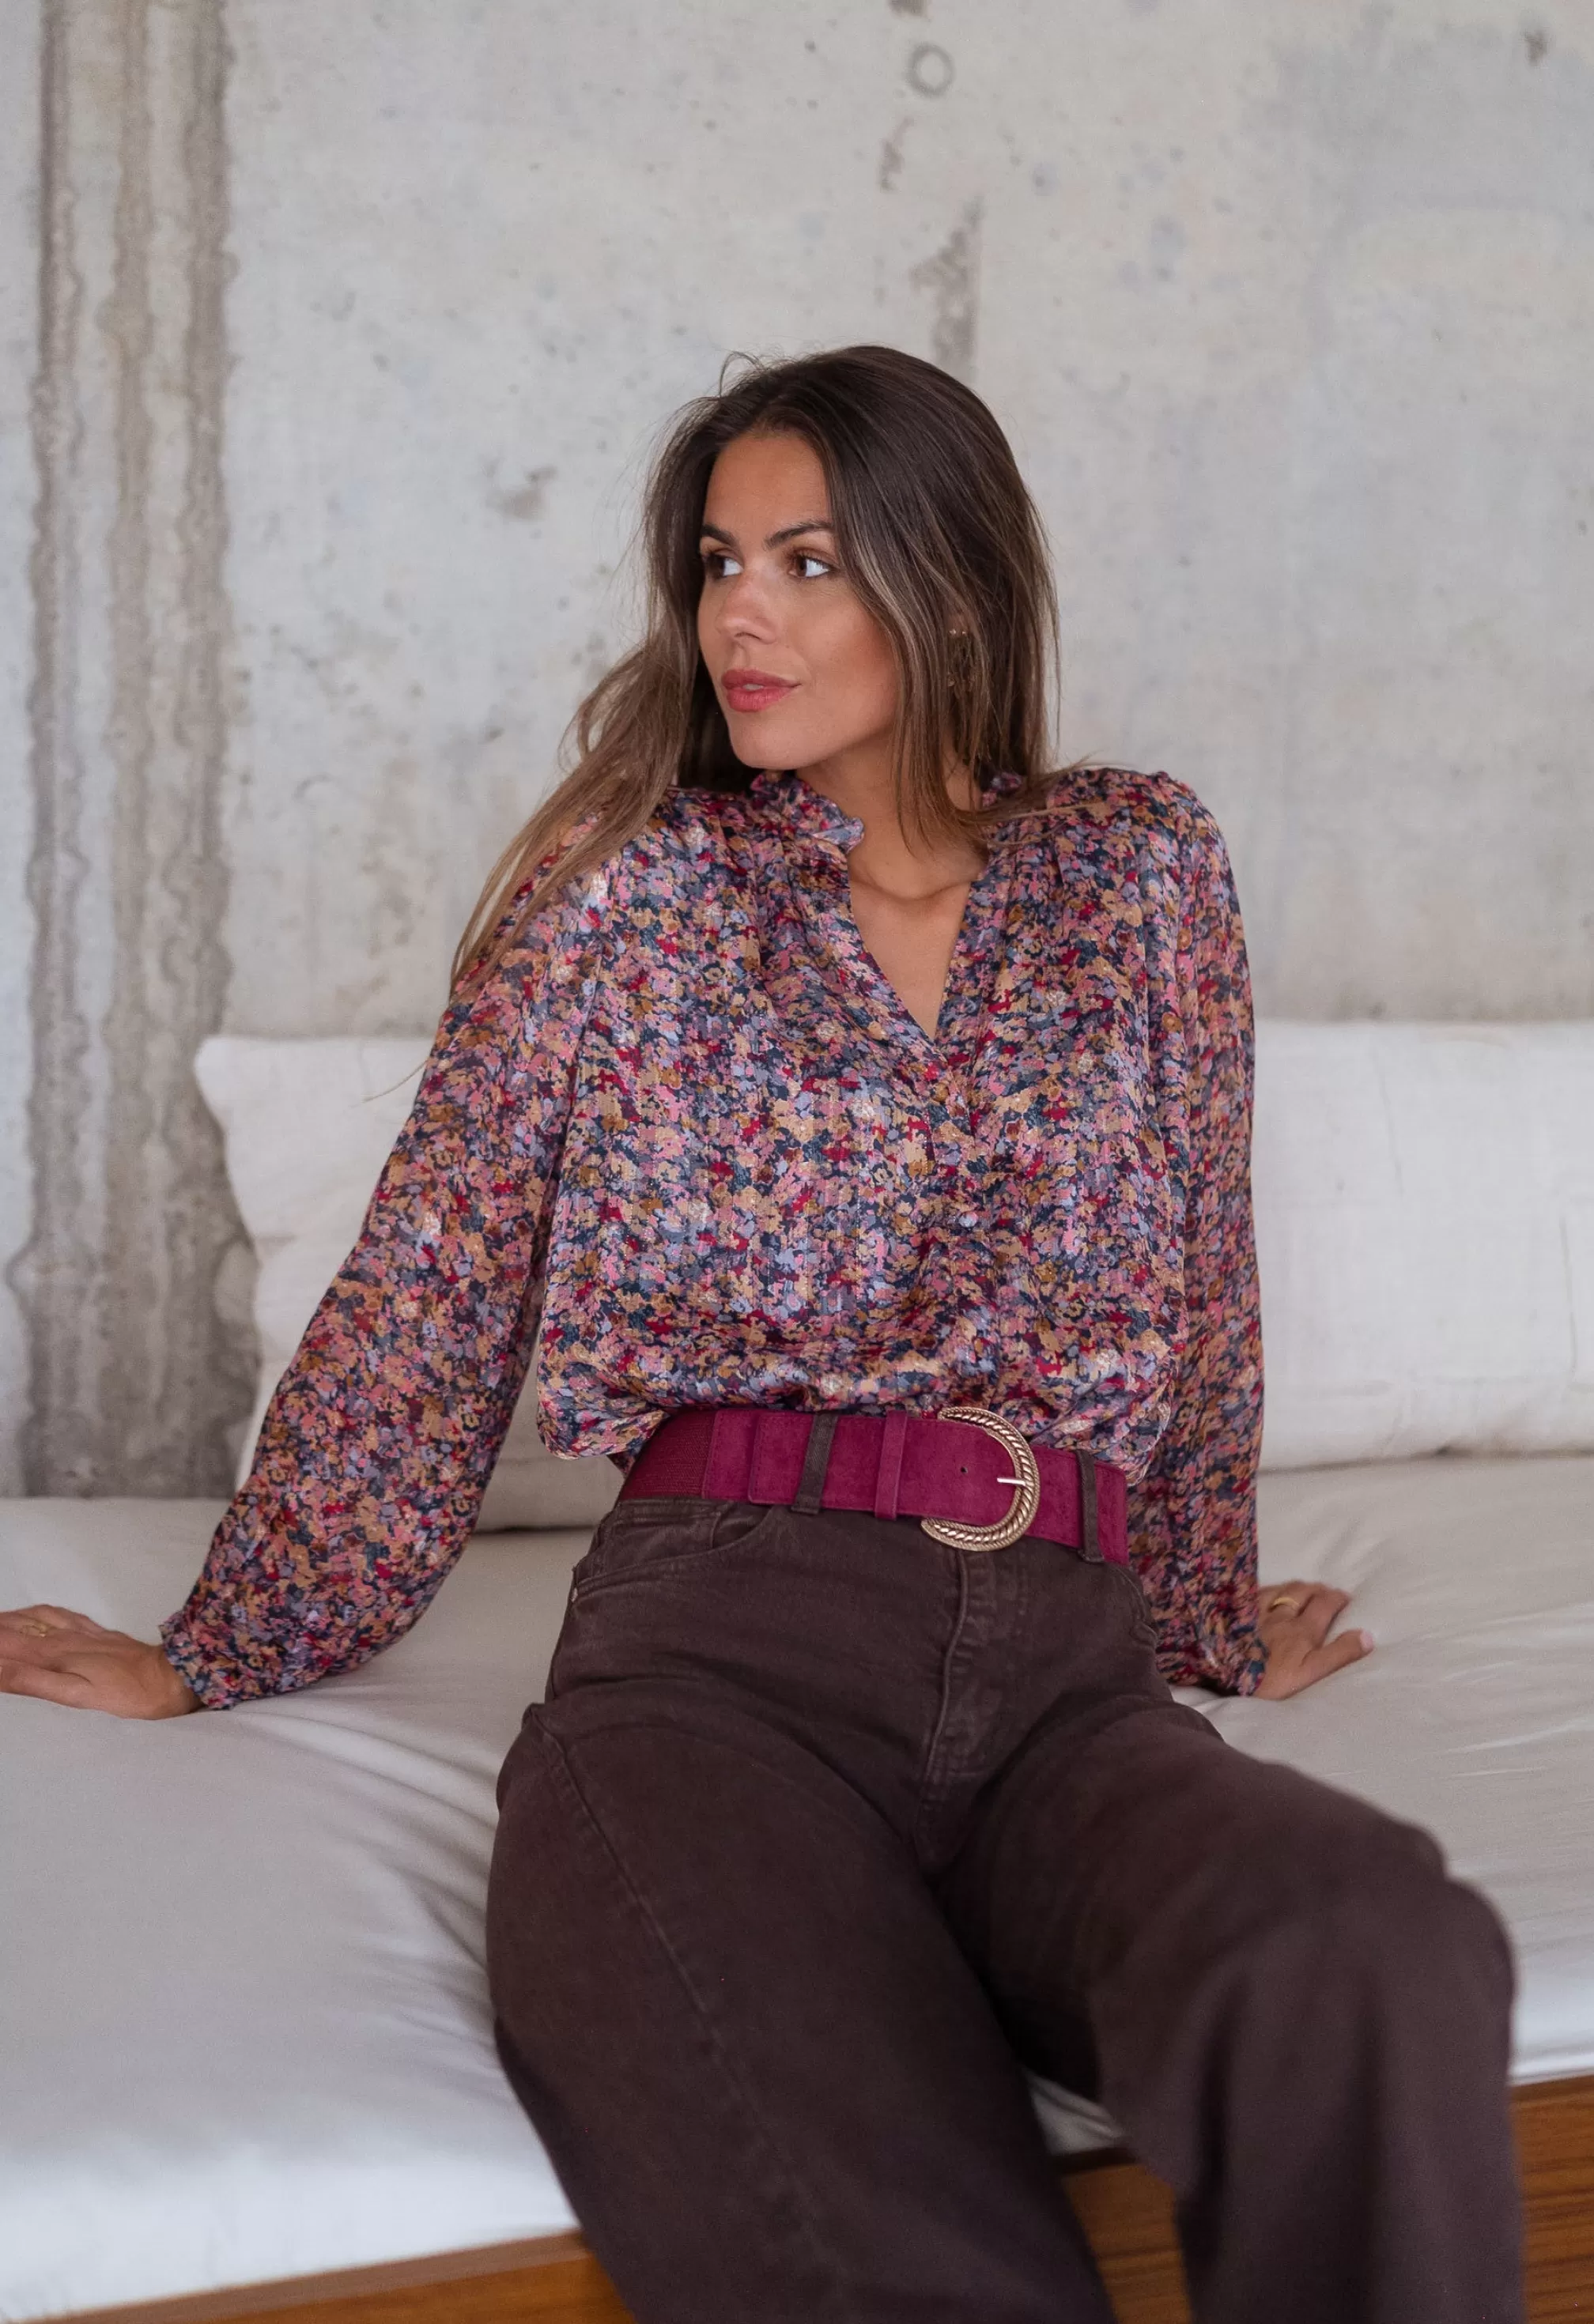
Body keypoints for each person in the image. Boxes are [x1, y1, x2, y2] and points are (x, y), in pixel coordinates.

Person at [0, 347, 1520, 2323]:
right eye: (721, 562)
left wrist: (1203, 1606)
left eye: (808, 561)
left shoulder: (1139, 866)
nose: (742, 612)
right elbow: (434, 1283)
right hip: (718, 1676)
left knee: (1370, 1943)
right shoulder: (631, 886)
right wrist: (220, 1646)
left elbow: (1207, 1272)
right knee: (886, 2228)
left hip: (1068, 1683)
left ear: (948, 590)